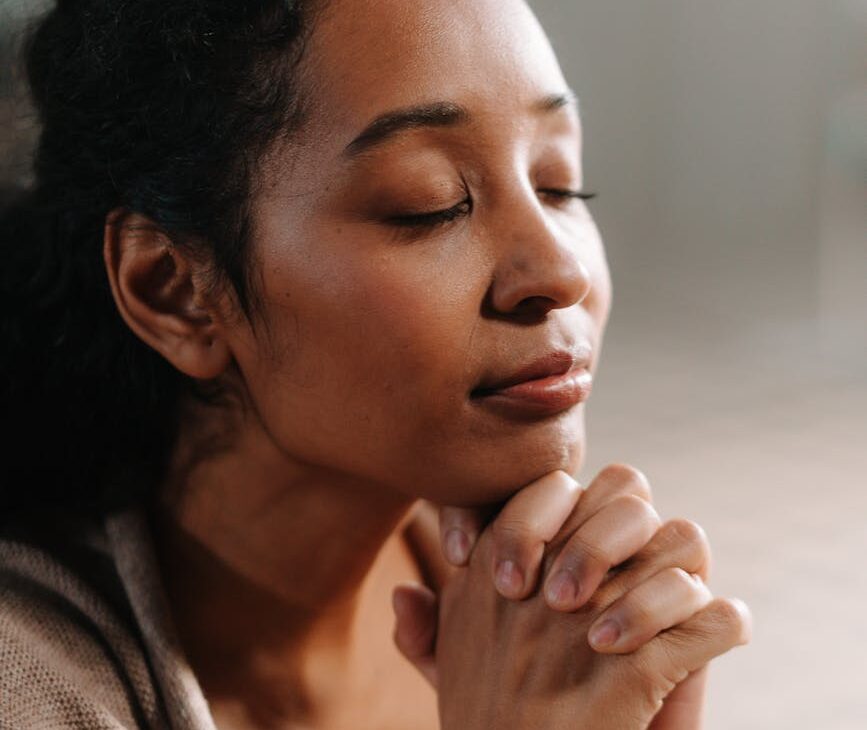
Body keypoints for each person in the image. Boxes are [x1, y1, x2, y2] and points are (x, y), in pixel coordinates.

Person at [0, 0, 751, 728]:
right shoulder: (27, 687)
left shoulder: (536, 612)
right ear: (177, 291)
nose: (560, 272)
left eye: (557, 182)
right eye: (430, 204)